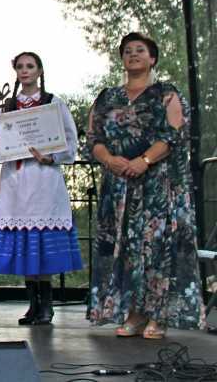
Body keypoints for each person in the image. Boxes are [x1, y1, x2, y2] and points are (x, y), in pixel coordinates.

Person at [87, 32, 205, 339]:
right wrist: (109, 159)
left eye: (140, 50)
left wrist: (144, 160)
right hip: (119, 187)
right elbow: (94, 138)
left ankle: (158, 315)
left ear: (152, 58)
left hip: (158, 184)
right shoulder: (107, 97)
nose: (133, 54)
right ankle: (134, 313)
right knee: (126, 247)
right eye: (128, 50)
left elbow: (173, 135)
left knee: (156, 246)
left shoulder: (166, 93)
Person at [0, 52, 82, 325]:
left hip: (43, 179)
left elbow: (70, 142)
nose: (25, 71)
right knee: (25, 242)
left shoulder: (53, 103)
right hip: (15, 180)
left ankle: (46, 306)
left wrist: (52, 157)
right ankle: (33, 304)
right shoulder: (7, 107)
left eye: (30, 66)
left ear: (39, 71)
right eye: (20, 67)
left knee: (41, 241)